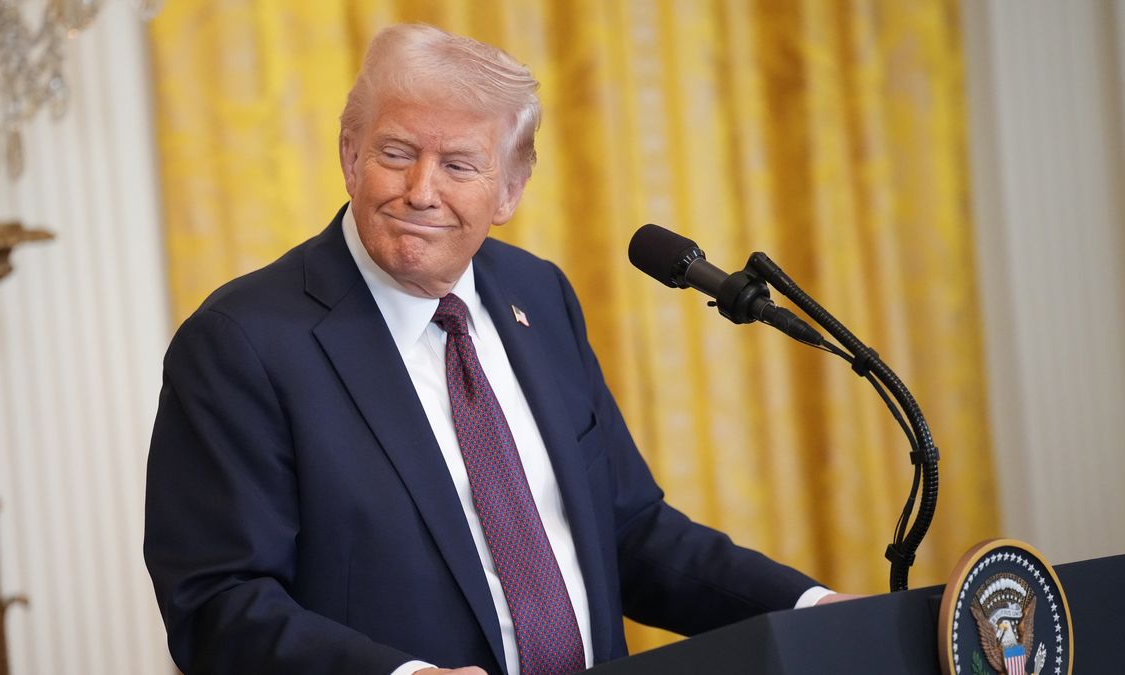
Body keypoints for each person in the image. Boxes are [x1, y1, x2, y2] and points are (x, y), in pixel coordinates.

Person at [144, 23, 850, 675]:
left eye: (458, 165)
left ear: (510, 190)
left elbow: (626, 529)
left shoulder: (538, 294)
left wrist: (812, 608)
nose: (421, 191)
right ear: (350, 155)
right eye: (397, 154)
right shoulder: (243, 342)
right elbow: (217, 600)